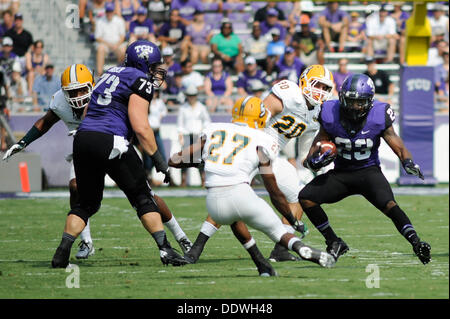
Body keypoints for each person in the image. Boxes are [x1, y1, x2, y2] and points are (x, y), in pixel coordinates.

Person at [50, 40, 189, 268]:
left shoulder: (109, 73)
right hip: (111, 140)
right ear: (143, 63)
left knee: (86, 204)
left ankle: (62, 251)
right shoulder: (140, 80)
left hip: (83, 138)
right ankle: (166, 250)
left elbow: (87, 110)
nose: (156, 71)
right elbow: (141, 127)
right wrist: (160, 162)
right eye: (153, 66)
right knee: (142, 197)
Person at [184, 65, 335, 263]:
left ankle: (280, 250)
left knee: (299, 195)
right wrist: (251, 146)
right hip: (254, 146)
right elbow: (257, 117)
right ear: (305, 82)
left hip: (272, 154)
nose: (321, 92)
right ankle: (195, 249)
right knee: (228, 193)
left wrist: (316, 160)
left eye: (325, 88)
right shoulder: (289, 93)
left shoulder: (317, 115)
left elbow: (305, 155)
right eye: (318, 86)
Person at [298, 73, 431, 265]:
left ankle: (417, 243)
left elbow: (398, 145)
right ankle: (334, 241)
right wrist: (313, 160)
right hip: (341, 174)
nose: (354, 106)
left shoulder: (379, 114)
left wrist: (408, 162)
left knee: (390, 206)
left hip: (368, 172)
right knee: (306, 198)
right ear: (342, 97)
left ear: (369, 101)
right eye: (351, 101)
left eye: (360, 102)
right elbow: (320, 139)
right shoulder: (329, 111)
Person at [3, 64, 97, 258]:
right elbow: (45, 122)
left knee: (140, 194)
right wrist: (22, 143)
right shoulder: (61, 102)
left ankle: (172, 238)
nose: (78, 95)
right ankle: (86, 241)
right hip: (85, 150)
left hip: (112, 146)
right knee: (75, 187)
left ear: (91, 86)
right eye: (72, 92)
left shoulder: (103, 97)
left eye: (81, 89)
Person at [177, 84, 210, 187]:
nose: (191, 97)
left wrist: (203, 132)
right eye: (190, 95)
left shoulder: (201, 107)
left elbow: (207, 121)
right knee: (185, 158)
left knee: (199, 158)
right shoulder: (183, 108)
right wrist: (181, 136)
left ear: (196, 95)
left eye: (193, 95)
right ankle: (183, 181)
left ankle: (203, 180)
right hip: (187, 135)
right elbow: (180, 124)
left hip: (197, 135)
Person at [94, 2, 127, 76]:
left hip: (117, 43)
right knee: (100, 49)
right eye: (108, 11)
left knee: (123, 50)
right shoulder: (100, 21)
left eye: (111, 11)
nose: (109, 13)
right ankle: (99, 73)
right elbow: (97, 37)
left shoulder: (119, 20)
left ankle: (120, 72)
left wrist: (116, 45)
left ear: (113, 11)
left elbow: (122, 36)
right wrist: (109, 45)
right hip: (105, 44)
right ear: (105, 11)